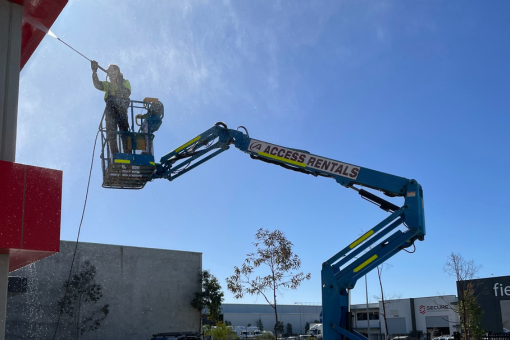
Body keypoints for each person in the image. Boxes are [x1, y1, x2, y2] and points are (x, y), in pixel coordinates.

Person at [91, 60, 132, 155]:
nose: (111, 73)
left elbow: (127, 92)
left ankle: (128, 154)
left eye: (113, 71)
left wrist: (117, 83)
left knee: (124, 131)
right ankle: (115, 154)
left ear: (118, 71)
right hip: (111, 110)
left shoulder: (125, 82)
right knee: (111, 132)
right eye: (109, 71)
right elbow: (98, 85)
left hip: (121, 110)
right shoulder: (108, 85)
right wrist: (94, 72)